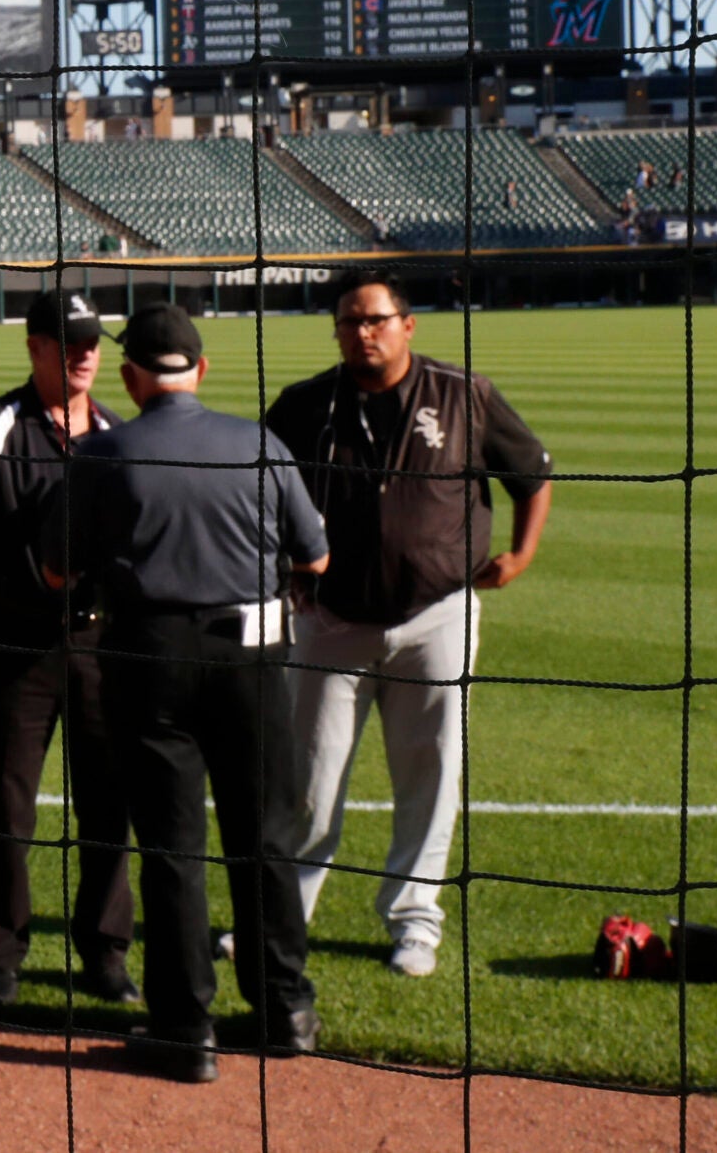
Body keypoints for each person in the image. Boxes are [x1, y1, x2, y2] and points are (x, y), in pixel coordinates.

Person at [45, 304, 328, 1082]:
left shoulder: (105, 452)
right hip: (258, 655)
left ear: (132, 378)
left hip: (152, 657)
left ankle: (184, 1028)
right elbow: (319, 556)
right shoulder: (261, 442)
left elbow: (54, 570)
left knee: (172, 847)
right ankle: (285, 1010)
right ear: (201, 370)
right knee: (267, 836)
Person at [264, 271, 552, 980]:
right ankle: (280, 921)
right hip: (329, 618)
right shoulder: (306, 404)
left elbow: (533, 472)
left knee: (430, 771)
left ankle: (413, 921)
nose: (362, 332)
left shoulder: (464, 394)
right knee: (308, 779)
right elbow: (258, 486)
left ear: (407, 323)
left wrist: (521, 553)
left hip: (437, 614)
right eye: (348, 322)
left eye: (375, 319)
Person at [0, 290, 135, 1009]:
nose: (84, 353)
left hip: (102, 640)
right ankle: (2, 955)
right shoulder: (0, 421)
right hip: (14, 639)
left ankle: (104, 953)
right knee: (5, 807)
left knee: (107, 802)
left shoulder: (114, 429)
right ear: (35, 346)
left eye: (92, 340)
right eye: (68, 340)